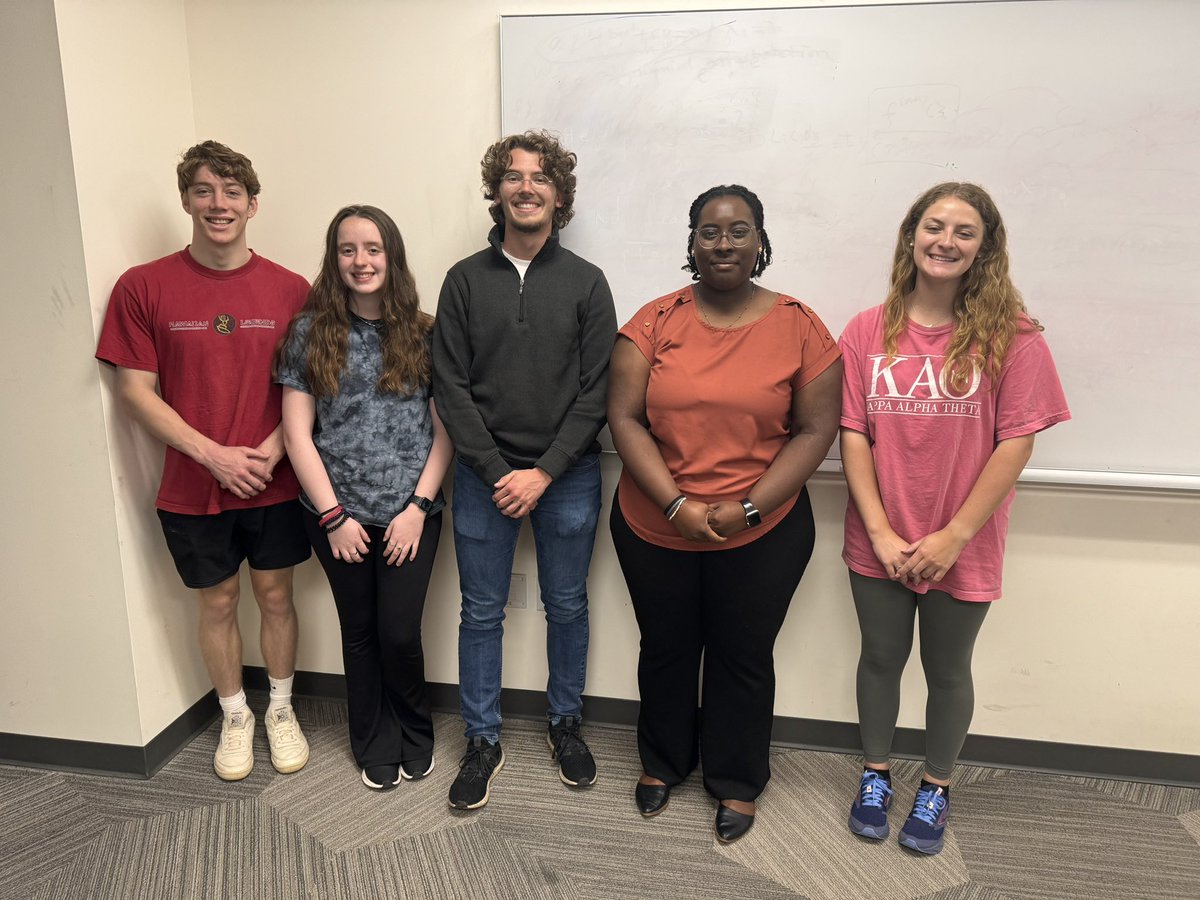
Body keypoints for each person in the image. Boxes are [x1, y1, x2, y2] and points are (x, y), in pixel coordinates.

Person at [840, 182, 1070, 855]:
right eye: (933, 227)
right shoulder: (866, 329)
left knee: (948, 669)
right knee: (880, 659)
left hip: (963, 539)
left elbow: (1017, 440)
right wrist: (881, 529)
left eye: (963, 232)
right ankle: (876, 774)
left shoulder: (1014, 336)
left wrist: (953, 535)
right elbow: (854, 432)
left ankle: (936, 786)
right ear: (912, 235)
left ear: (984, 248)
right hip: (879, 536)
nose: (945, 242)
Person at [607, 184, 842, 843]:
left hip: (762, 530)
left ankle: (736, 780)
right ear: (691, 243)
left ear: (761, 242)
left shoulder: (798, 323)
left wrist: (747, 509)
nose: (724, 243)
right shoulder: (653, 321)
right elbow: (623, 418)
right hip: (655, 523)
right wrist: (677, 503)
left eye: (739, 231)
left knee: (742, 655)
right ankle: (664, 762)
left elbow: (815, 431)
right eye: (709, 232)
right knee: (667, 649)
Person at [95, 141, 311, 781]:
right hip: (193, 486)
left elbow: (313, 387)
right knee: (216, 603)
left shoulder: (292, 288)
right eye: (204, 191)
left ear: (253, 204)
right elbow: (133, 391)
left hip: (274, 481)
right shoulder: (142, 287)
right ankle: (236, 717)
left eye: (232, 192)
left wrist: (271, 452)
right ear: (186, 199)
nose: (219, 204)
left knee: (276, 595)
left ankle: (280, 710)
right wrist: (213, 456)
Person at [433, 130, 617, 810]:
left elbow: (598, 391)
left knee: (566, 604)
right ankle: (482, 738)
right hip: (484, 480)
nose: (526, 186)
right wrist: (494, 468)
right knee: (481, 611)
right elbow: (449, 387)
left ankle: (565, 723)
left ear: (559, 194)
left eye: (540, 177)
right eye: (513, 175)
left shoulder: (587, 284)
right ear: (498, 190)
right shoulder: (462, 281)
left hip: (566, 477)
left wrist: (543, 471)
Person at [276, 205, 453, 791]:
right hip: (335, 517)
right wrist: (332, 517)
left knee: (400, 632)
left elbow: (444, 429)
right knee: (360, 632)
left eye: (373, 248)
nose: (361, 261)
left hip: (412, 513)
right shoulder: (308, 332)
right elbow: (297, 433)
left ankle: (413, 729)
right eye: (348, 250)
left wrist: (417, 511)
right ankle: (372, 738)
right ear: (334, 259)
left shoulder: (426, 332)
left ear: (392, 256)